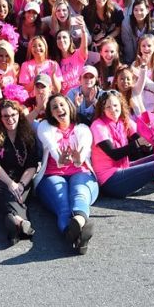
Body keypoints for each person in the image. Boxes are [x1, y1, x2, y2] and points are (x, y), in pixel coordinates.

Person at [33, 95, 100, 255]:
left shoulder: (83, 128)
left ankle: (77, 222)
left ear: (69, 107)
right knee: (62, 204)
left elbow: (82, 154)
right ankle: (77, 235)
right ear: (50, 112)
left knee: (79, 194)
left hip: (81, 172)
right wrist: (60, 159)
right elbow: (52, 146)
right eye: (54, 107)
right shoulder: (45, 126)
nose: (59, 109)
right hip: (51, 175)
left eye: (62, 105)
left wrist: (78, 159)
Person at [0, 100, 42, 243]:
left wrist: (20, 184)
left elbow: (32, 165)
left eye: (13, 115)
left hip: (22, 178)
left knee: (17, 194)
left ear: (19, 114)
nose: (10, 119)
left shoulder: (28, 134)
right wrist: (10, 184)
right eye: (5, 116)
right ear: (0, 118)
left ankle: (15, 222)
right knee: (8, 193)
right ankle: (22, 223)